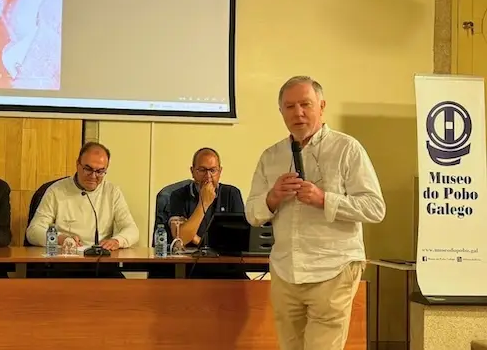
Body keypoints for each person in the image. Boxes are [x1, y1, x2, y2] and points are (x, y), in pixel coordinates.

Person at [245, 76, 386, 350]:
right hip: (286, 271)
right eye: (289, 106)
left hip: (333, 269)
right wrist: (272, 197)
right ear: (281, 111)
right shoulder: (270, 156)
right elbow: (252, 213)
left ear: (321, 106)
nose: (297, 113)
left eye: (305, 104)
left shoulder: (347, 148)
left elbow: (375, 207)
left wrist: (325, 199)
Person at [26, 142, 139, 252]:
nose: (93, 176)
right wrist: (60, 238)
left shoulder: (112, 192)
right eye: (88, 169)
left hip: (99, 261)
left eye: (100, 171)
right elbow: (33, 231)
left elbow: (132, 230)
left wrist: (117, 241)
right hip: (65, 260)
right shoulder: (56, 190)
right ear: (78, 165)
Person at [157, 147, 247, 279]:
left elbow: (237, 242)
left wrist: (197, 239)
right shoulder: (178, 196)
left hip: (226, 267)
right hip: (190, 268)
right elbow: (181, 237)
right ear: (192, 171)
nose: (208, 176)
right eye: (202, 170)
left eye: (213, 170)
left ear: (220, 171)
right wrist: (203, 203)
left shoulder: (232, 194)